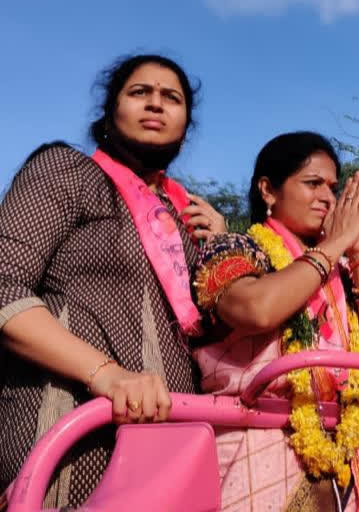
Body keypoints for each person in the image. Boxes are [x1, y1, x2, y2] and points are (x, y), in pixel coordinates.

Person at [0, 54, 225, 509]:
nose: (156, 104)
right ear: (110, 112)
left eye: (171, 98)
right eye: (140, 92)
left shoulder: (186, 220)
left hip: (170, 444)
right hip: (70, 426)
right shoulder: (68, 172)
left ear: (186, 124)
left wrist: (221, 249)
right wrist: (107, 375)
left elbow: (215, 344)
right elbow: (5, 285)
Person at [192, 131, 359, 511]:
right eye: (312, 184)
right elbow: (256, 310)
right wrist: (335, 244)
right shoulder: (238, 248)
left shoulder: (345, 272)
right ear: (267, 189)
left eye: (332, 187)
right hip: (260, 451)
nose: (328, 197)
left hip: (352, 460)